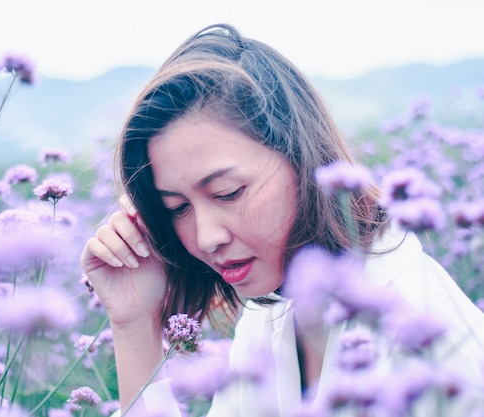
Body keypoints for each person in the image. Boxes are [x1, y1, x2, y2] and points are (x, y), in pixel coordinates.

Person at [80, 24, 484, 416]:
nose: (206, 238)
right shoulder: (270, 311)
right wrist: (133, 323)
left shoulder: (422, 338)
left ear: (302, 159)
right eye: (177, 209)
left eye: (227, 193)